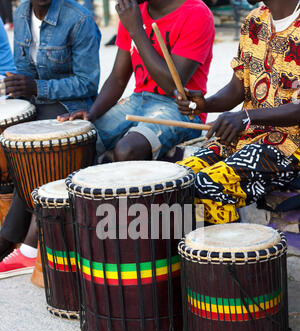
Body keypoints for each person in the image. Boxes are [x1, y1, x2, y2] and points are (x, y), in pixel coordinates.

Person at [176, 0, 300, 225]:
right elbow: (238, 86)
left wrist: (246, 117)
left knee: (208, 185)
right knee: (178, 179)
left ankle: (229, 258)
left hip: (291, 147)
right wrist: (204, 104)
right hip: (248, 137)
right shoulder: (254, 20)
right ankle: (190, 256)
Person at [0, 0, 101, 278]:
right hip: (39, 102)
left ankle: (25, 247)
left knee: (36, 148)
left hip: (71, 107)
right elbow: (24, 70)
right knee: (23, 143)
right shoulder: (22, 14)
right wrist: (19, 86)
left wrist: (36, 86)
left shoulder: (79, 19)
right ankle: (12, 240)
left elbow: (88, 82)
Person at [59, 0, 215, 163]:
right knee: (81, 141)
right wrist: (91, 114)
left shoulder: (197, 13)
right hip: (139, 99)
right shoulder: (135, 12)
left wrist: (136, 29)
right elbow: (118, 78)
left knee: (127, 149)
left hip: (181, 108)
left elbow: (172, 86)